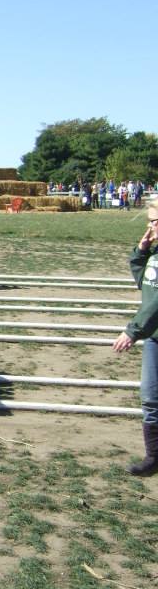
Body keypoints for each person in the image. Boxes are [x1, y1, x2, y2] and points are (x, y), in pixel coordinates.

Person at [112, 199, 158, 476]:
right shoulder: (155, 253)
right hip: (154, 337)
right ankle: (154, 456)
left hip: (150, 331)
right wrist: (141, 253)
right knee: (151, 397)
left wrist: (132, 330)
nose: (149, 226)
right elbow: (146, 285)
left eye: (153, 221)